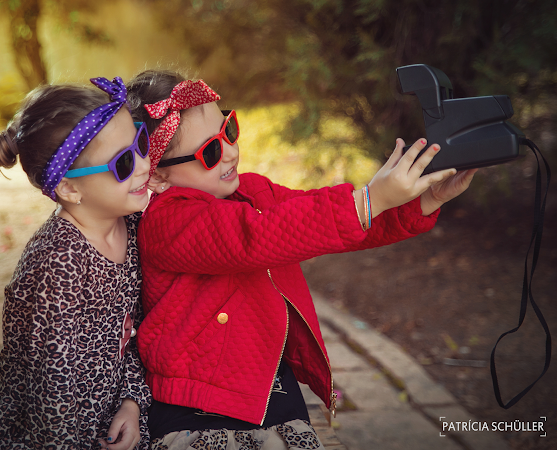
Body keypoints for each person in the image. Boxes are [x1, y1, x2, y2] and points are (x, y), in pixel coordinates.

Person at [126, 70, 477, 449]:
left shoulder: (252, 190)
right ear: (158, 177)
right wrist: (370, 200)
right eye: (209, 151)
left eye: (229, 130)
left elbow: (315, 219)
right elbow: (253, 237)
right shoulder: (168, 220)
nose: (229, 151)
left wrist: (423, 200)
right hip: (196, 402)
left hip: (265, 383)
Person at [0, 77, 152, 450]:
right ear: (70, 188)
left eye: (141, 141)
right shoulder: (59, 263)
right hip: (47, 432)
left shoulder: (131, 224)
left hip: (111, 410)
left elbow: (136, 330)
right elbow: (51, 390)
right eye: (124, 162)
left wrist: (132, 404)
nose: (145, 164)